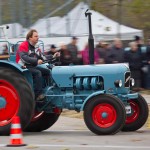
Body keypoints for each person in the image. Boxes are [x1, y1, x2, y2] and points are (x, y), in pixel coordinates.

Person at [16, 29, 60, 101]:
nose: (38, 37)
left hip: (32, 66)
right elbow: (24, 58)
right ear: (30, 37)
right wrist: (36, 61)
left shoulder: (36, 47)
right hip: (23, 66)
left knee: (47, 71)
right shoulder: (23, 45)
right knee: (37, 73)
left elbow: (43, 57)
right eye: (36, 36)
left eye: (38, 36)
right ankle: (37, 95)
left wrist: (53, 56)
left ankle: (48, 90)